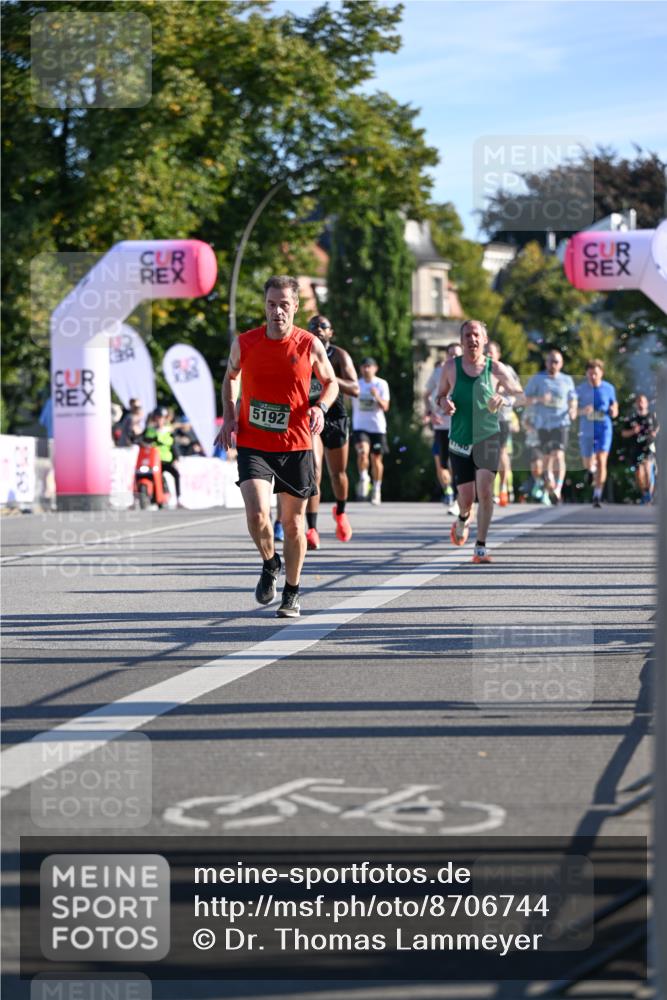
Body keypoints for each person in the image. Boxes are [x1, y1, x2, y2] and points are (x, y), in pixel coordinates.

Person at [216, 275, 338, 618]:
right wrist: (229, 417)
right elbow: (230, 377)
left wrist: (320, 407)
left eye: (285, 305)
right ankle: (271, 562)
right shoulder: (246, 343)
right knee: (256, 513)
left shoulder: (308, 344)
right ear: (265, 306)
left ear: (296, 307)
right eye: (272, 304)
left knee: (294, 523)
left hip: (296, 443)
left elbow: (330, 383)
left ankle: (292, 591)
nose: (278, 312)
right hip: (255, 442)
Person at [436, 319, 523, 564]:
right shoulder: (450, 367)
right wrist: (444, 403)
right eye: (467, 335)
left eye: (476, 335)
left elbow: (520, 394)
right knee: (465, 498)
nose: (472, 340)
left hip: (488, 436)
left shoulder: (495, 368)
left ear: (484, 340)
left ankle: (481, 547)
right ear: (461, 340)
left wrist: (503, 398)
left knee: (485, 491)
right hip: (460, 438)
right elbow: (440, 396)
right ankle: (463, 519)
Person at [304, 315, 359, 549]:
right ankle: (312, 529)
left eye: (323, 326)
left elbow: (355, 388)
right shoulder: (301, 354)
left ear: (330, 332)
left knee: (338, 474)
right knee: (314, 472)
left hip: (336, 417)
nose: (318, 329)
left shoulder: (339, 355)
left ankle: (341, 512)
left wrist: (330, 378)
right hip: (311, 418)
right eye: (313, 326)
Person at [524, 349, 577, 503]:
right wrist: (540, 398)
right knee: (547, 458)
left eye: (556, 362)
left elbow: (572, 398)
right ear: (546, 362)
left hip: (561, 423)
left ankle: (558, 488)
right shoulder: (537, 379)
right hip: (542, 424)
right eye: (550, 361)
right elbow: (525, 399)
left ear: (561, 364)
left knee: (559, 454)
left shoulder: (567, 380)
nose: (553, 364)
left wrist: (573, 408)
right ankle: (549, 483)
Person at [423, 343, 462, 512]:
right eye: (451, 354)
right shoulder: (438, 373)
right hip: (441, 426)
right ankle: (448, 491)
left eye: (457, 355)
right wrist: (430, 413)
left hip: (460, 426)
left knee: (457, 463)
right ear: (446, 356)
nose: (454, 358)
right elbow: (426, 395)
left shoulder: (466, 372)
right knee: (441, 463)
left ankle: (455, 496)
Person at [576, 359, 618, 508]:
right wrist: (582, 411)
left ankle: (597, 494)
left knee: (601, 459)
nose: (593, 377)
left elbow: (615, 407)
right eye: (590, 374)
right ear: (586, 374)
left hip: (604, 428)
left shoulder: (609, 388)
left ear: (601, 374)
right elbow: (573, 412)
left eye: (596, 374)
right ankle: (591, 470)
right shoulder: (580, 390)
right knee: (587, 462)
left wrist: (614, 411)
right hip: (587, 429)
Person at [351, 357, 390, 505]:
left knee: (376, 460)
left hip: (377, 428)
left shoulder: (381, 384)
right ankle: (364, 477)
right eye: (364, 366)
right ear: (360, 369)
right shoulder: (356, 384)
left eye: (369, 366)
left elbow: (385, 406)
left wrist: (376, 396)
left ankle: (376, 489)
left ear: (375, 368)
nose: (366, 369)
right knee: (362, 452)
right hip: (360, 426)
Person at [486, 341, 519, 506]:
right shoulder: (478, 369)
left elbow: (517, 393)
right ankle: (490, 489)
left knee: (501, 453)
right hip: (483, 419)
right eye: (486, 352)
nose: (488, 355)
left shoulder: (506, 370)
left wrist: (504, 397)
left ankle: (503, 488)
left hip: (502, 417)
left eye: (492, 352)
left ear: (498, 354)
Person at [621, 393, 658, 504]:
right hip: (636, 448)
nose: (641, 403)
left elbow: (658, 427)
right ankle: (645, 493)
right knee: (639, 474)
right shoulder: (632, 418)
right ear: (636, 404)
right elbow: (623, 433)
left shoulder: (652, 416)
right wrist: (633, 431)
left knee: (647, 469)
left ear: (647, 403)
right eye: (639, 401)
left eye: (643, 401)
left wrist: (654, 433)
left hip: (649, 447)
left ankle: (649, 496)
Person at [143, 406, 183, 505]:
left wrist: (176, 458)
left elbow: (173, 445)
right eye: (158, 417)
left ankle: (179, 498)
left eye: (162, 417)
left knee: (176, 475)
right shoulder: (150, 430)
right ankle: (153, 497)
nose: (160, 420)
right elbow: (143, 440)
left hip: (166, 460)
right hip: (153, 461)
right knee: (154, 476)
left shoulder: (168, 431)